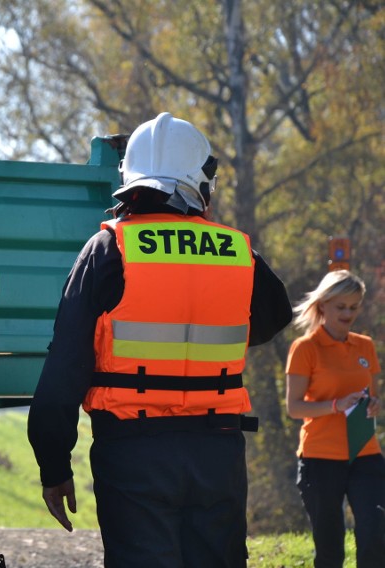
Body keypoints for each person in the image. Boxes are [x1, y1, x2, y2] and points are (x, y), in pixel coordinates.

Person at [27, 112, 292, 567]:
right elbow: (275, 317)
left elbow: (63, 371)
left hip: (134, 453)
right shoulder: (236, 250)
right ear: (199, 182)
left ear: (129, 180)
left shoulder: (109, 249)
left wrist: (54, 467)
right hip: (217, 452)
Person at [285, 269, 384, 568]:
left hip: (365, 453)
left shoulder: (365, 345)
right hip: (320, 458)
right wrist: (336, 405)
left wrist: (374, 404)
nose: (348, 313)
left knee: (375, 534)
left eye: (354, 307)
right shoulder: (305, 348)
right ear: (323, 305)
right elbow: (294, 407)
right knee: (330, 548)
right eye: (341, 306)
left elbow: (372, 394)